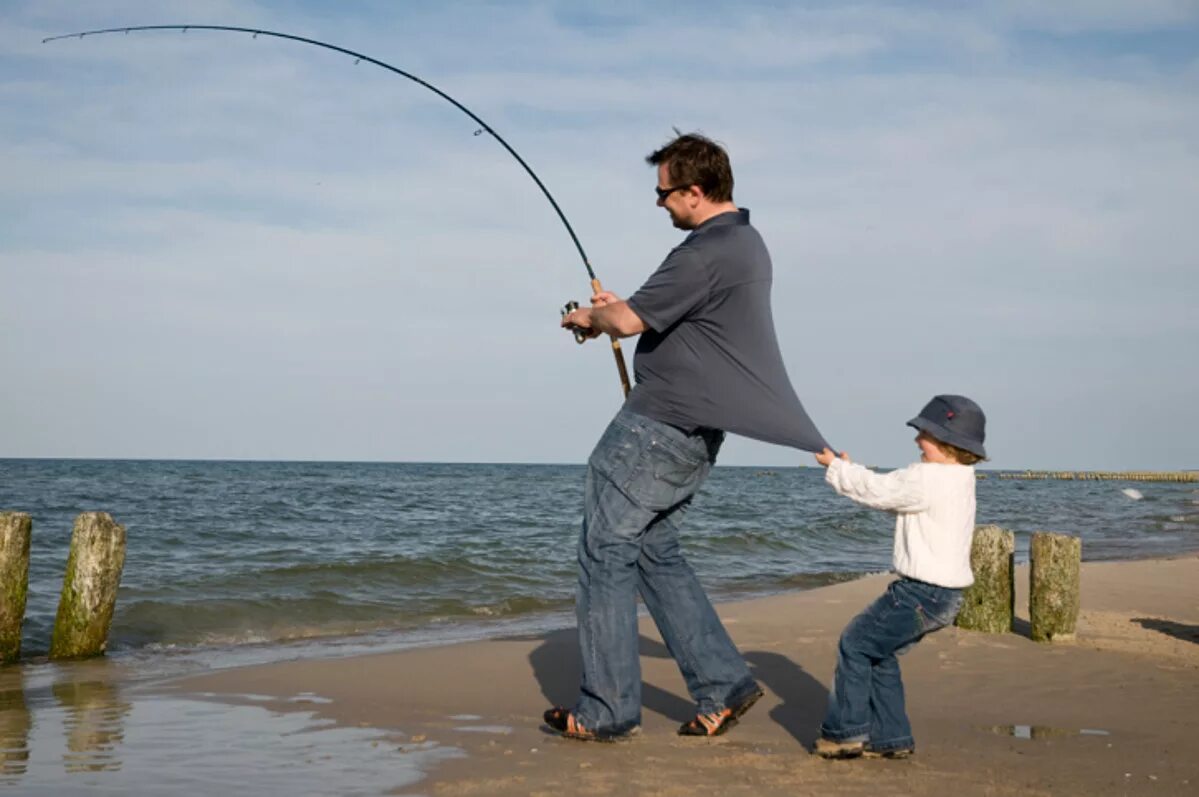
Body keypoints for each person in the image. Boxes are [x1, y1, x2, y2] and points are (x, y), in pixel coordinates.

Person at [548, 132, 831, 741]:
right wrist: (619, 313)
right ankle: (724, 682)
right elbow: (669, 317)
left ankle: (605, 711)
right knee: (652, 550)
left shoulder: (702, 252)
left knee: (604, 551)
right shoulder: (745, 244)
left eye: (665, 194)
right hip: (695, 431)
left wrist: (590, 318)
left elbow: (626, 320)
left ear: (696, 192)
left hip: (657, 428)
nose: (661, 205)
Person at [812, 394, 987, 759]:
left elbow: (879, 491)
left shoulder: (928, 477)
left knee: (855, 643)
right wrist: (849, 471)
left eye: (922, 433)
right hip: (945, 597)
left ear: (945, 442)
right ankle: (892, 739)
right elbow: (895, 496)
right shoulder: (961, 479)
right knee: (880, 654)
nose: (916, 440)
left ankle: (845, 734)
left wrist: (836, 469)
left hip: (920, 594)